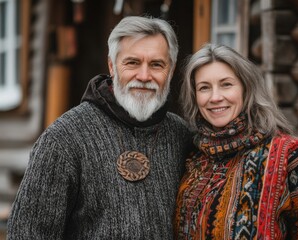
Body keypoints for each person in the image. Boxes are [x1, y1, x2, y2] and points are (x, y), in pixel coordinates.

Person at [7, 16, 193, 239]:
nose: (144, 76)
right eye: (132, 62)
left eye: (156, 64)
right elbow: (27, 234)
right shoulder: (64, 138)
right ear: (112, 66)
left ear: (170, 71)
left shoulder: (180, 135)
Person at [174, 43, 298, 239]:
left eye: (226, 84)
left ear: (247, 89)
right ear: (195, 96)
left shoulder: (294, 158)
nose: (215, 97)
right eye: (204, 88)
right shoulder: (194, 158)